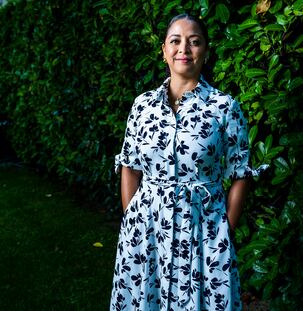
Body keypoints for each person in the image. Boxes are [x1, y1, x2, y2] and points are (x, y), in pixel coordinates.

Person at [110, 13, 266, 311]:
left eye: (194, 42)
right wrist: (132, 219)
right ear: (164, 51)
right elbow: (130, 165)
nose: (184, 49)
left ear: (205, 51)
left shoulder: (225, 108)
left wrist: (225, 229)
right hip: (147, 233)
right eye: (176, 41)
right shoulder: (142, 106)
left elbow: (241, 173)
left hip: (204, 232)